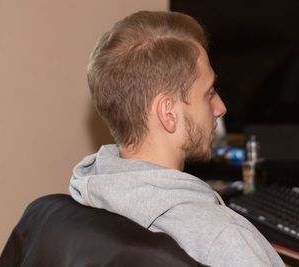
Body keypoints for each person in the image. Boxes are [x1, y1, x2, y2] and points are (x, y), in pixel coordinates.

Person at [70, 10, 284, 267]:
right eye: (209, 93)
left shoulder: (81, 202)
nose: (220, 107)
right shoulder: (224, 239)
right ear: (168, 112)